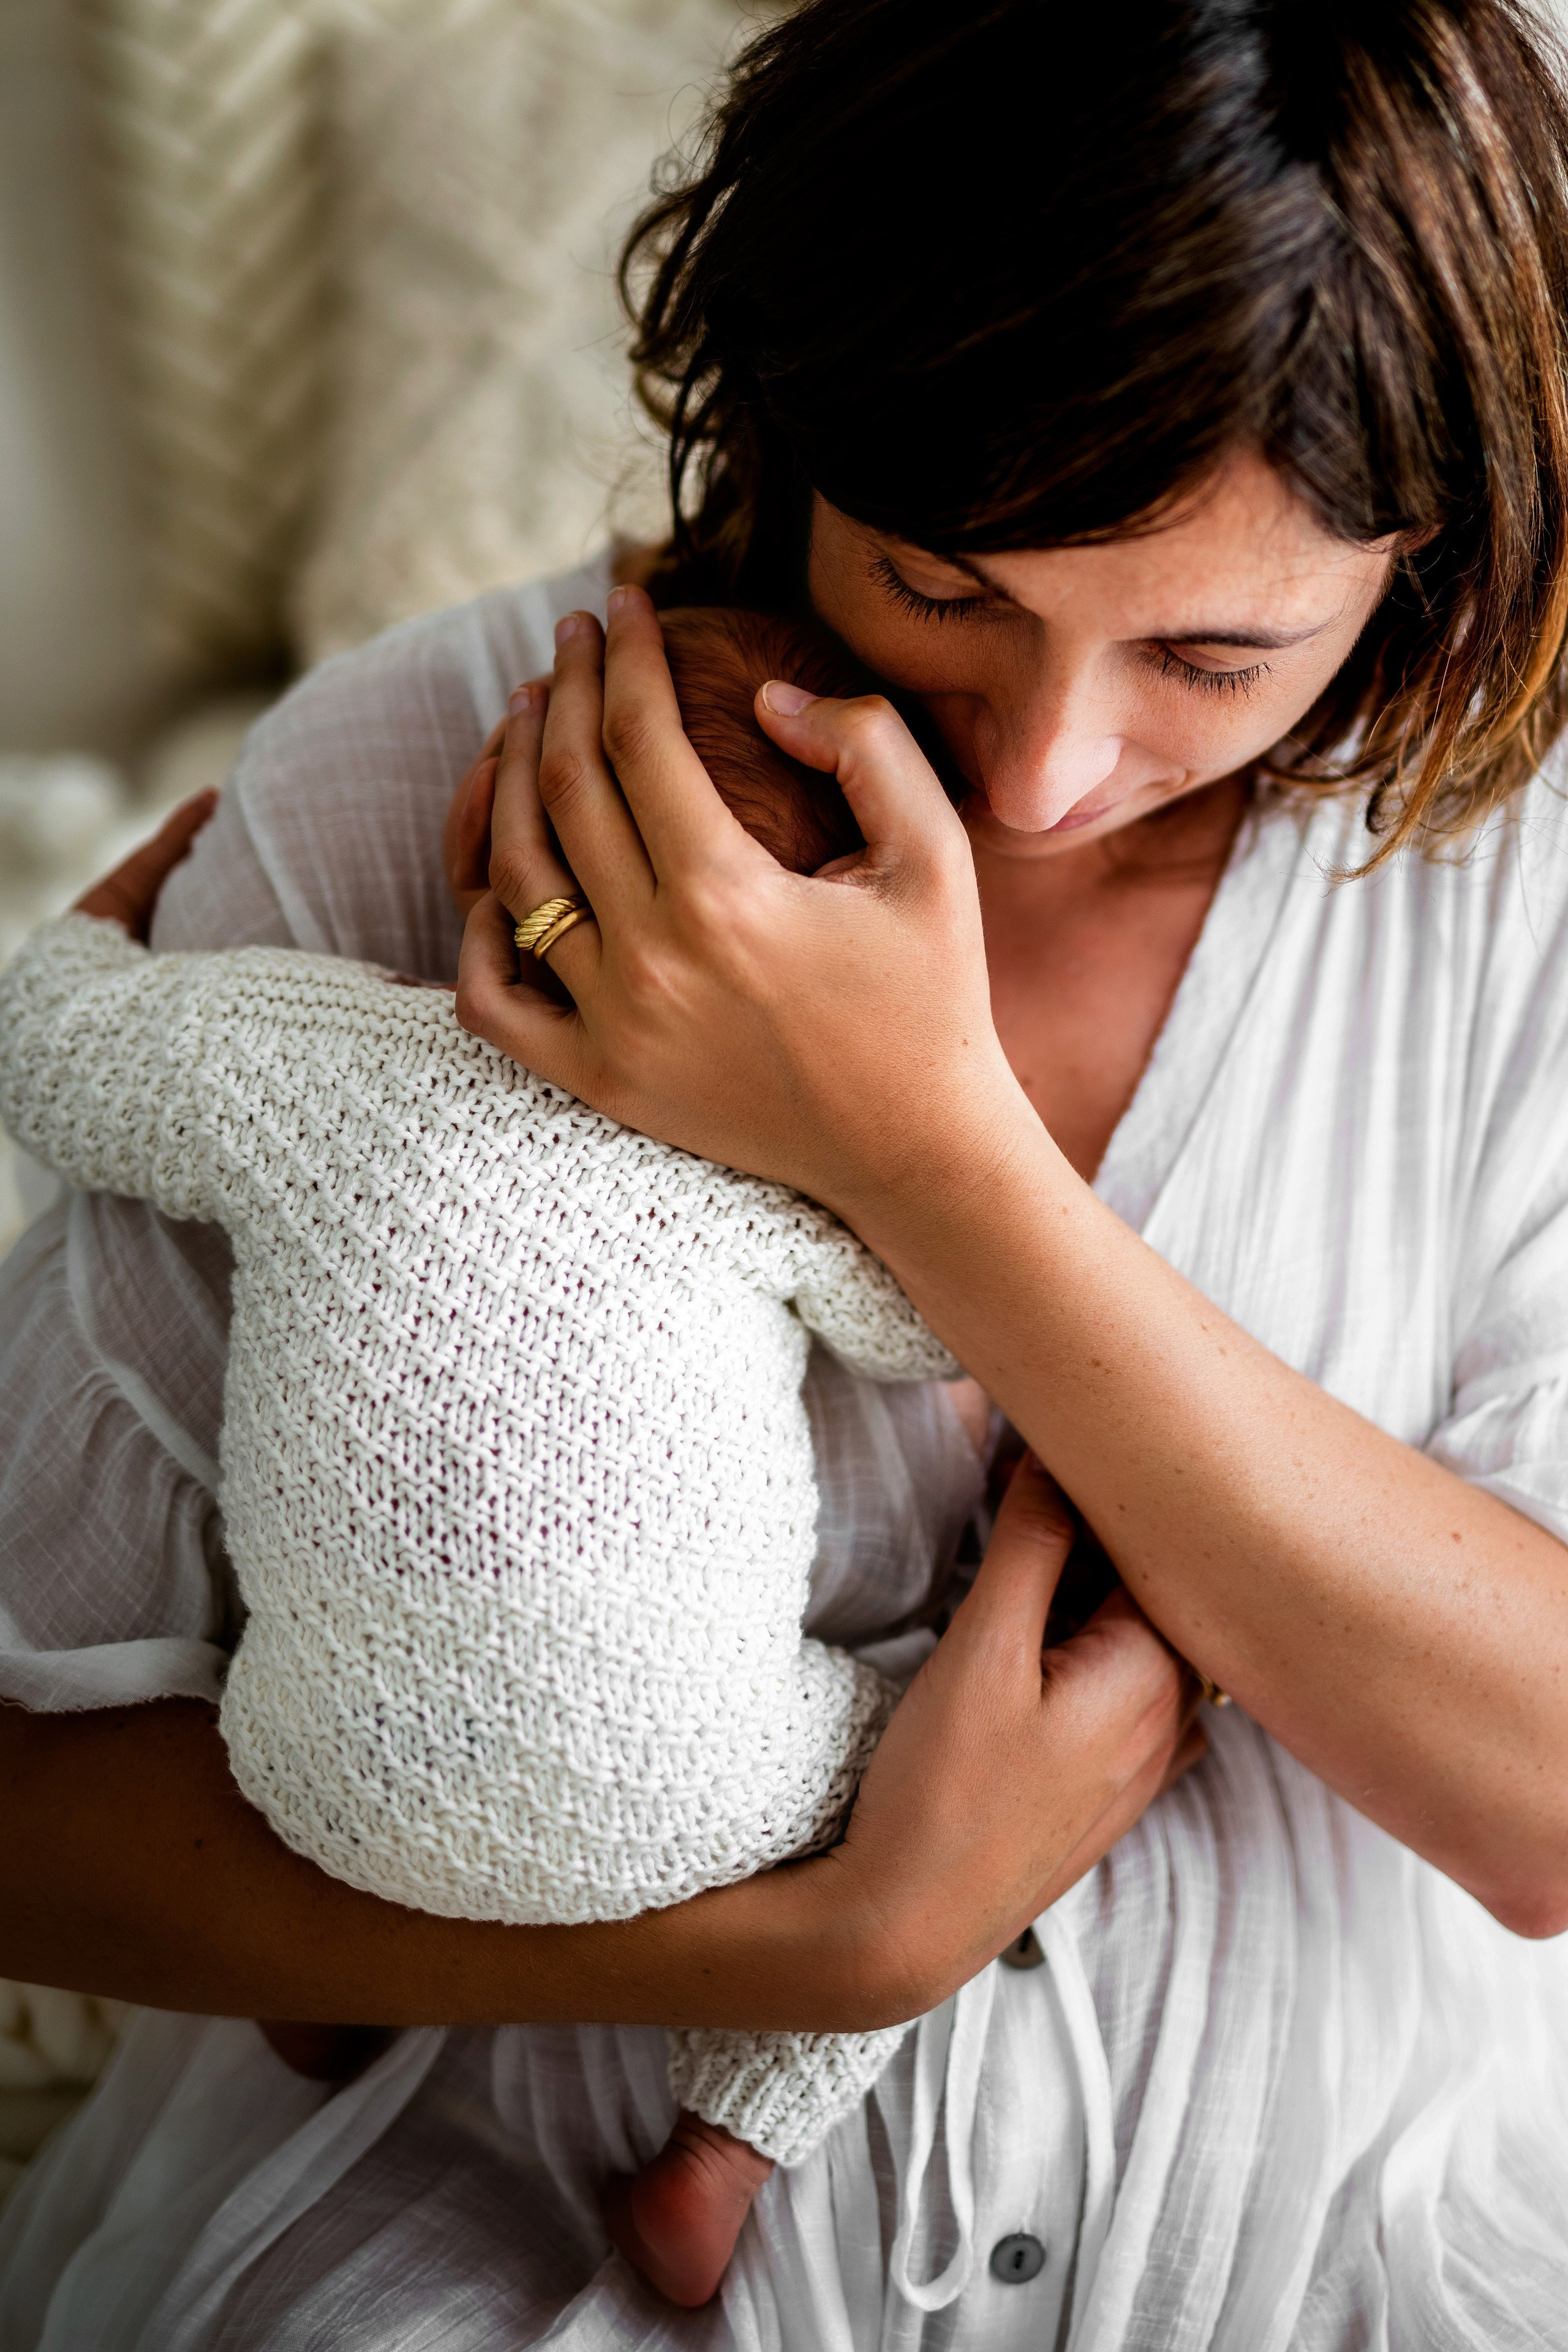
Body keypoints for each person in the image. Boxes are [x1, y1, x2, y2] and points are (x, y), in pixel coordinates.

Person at [6, 1, 1568, 2343]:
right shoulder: (428, 770)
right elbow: (27, 1820)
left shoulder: (1517, 901)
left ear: (1421, 570)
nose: (1051, 770)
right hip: (489, 2260)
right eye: (949, 588)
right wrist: (832, 1948)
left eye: (1217, 655)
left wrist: (924, 1155)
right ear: (796, 420)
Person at [0, 606, 1033, 2309]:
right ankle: (721, 2149)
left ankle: (320, 1983)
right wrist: (903, 1131)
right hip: (699, 1798)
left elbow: (55, 1065)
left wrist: (104, 919)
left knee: (235, 1612)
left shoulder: (316, 1051)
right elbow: (927, 1328)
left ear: (480, 802)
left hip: (310, 1790)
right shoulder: (765, 1167)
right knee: (931, 1783)